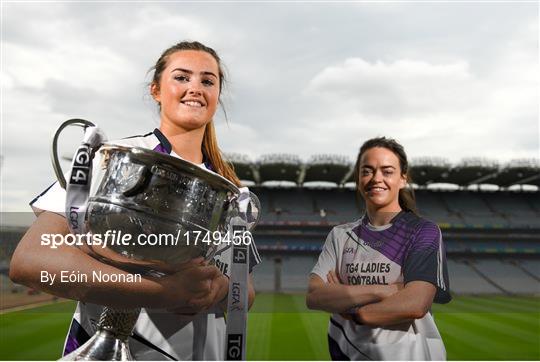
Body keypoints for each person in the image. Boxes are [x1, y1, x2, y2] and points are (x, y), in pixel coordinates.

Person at [9, 41, 261, 360]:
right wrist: (162, 293)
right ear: (156, 90)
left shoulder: (233, 191)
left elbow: (245, 289)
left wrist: (219, 289)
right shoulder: (110, 159)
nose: (195, 87)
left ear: (217, 97)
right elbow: (30, 260)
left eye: (207, 81)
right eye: (182, 77)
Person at [306, 137, 451, 361]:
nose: (376, 179)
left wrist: (348, 305)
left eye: (387, 171)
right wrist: (385, 290)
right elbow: (315, 295)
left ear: (403, 178)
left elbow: (414, 304)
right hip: (348, 354)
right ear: (358, 179)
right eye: (367, 171)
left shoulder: (424, 232)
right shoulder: (340, 235)